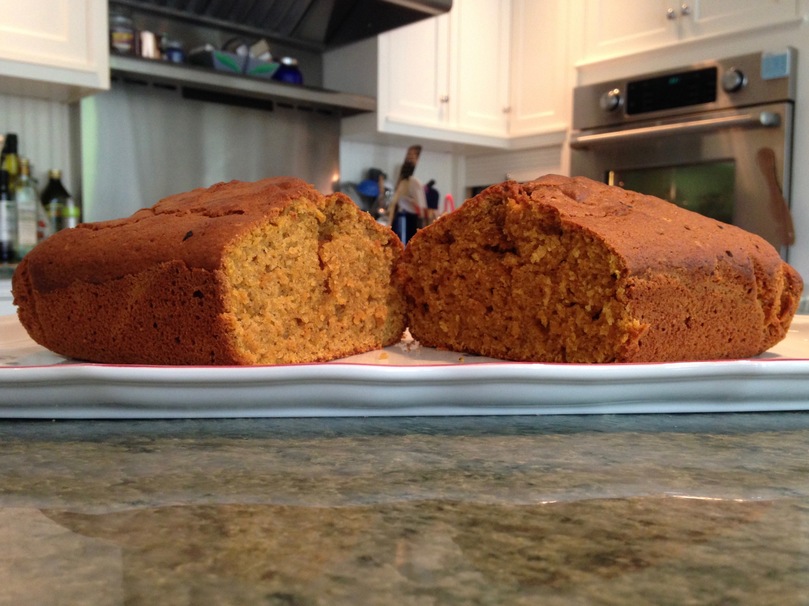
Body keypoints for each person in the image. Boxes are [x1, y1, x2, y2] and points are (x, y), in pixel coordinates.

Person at [387, 161, 425, 244]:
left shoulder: (414, 182)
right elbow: (395, 200)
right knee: (399, 237)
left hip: (412, 215)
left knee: (410, 238)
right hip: (402, 214)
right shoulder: (402, 183)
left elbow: (419, 201)